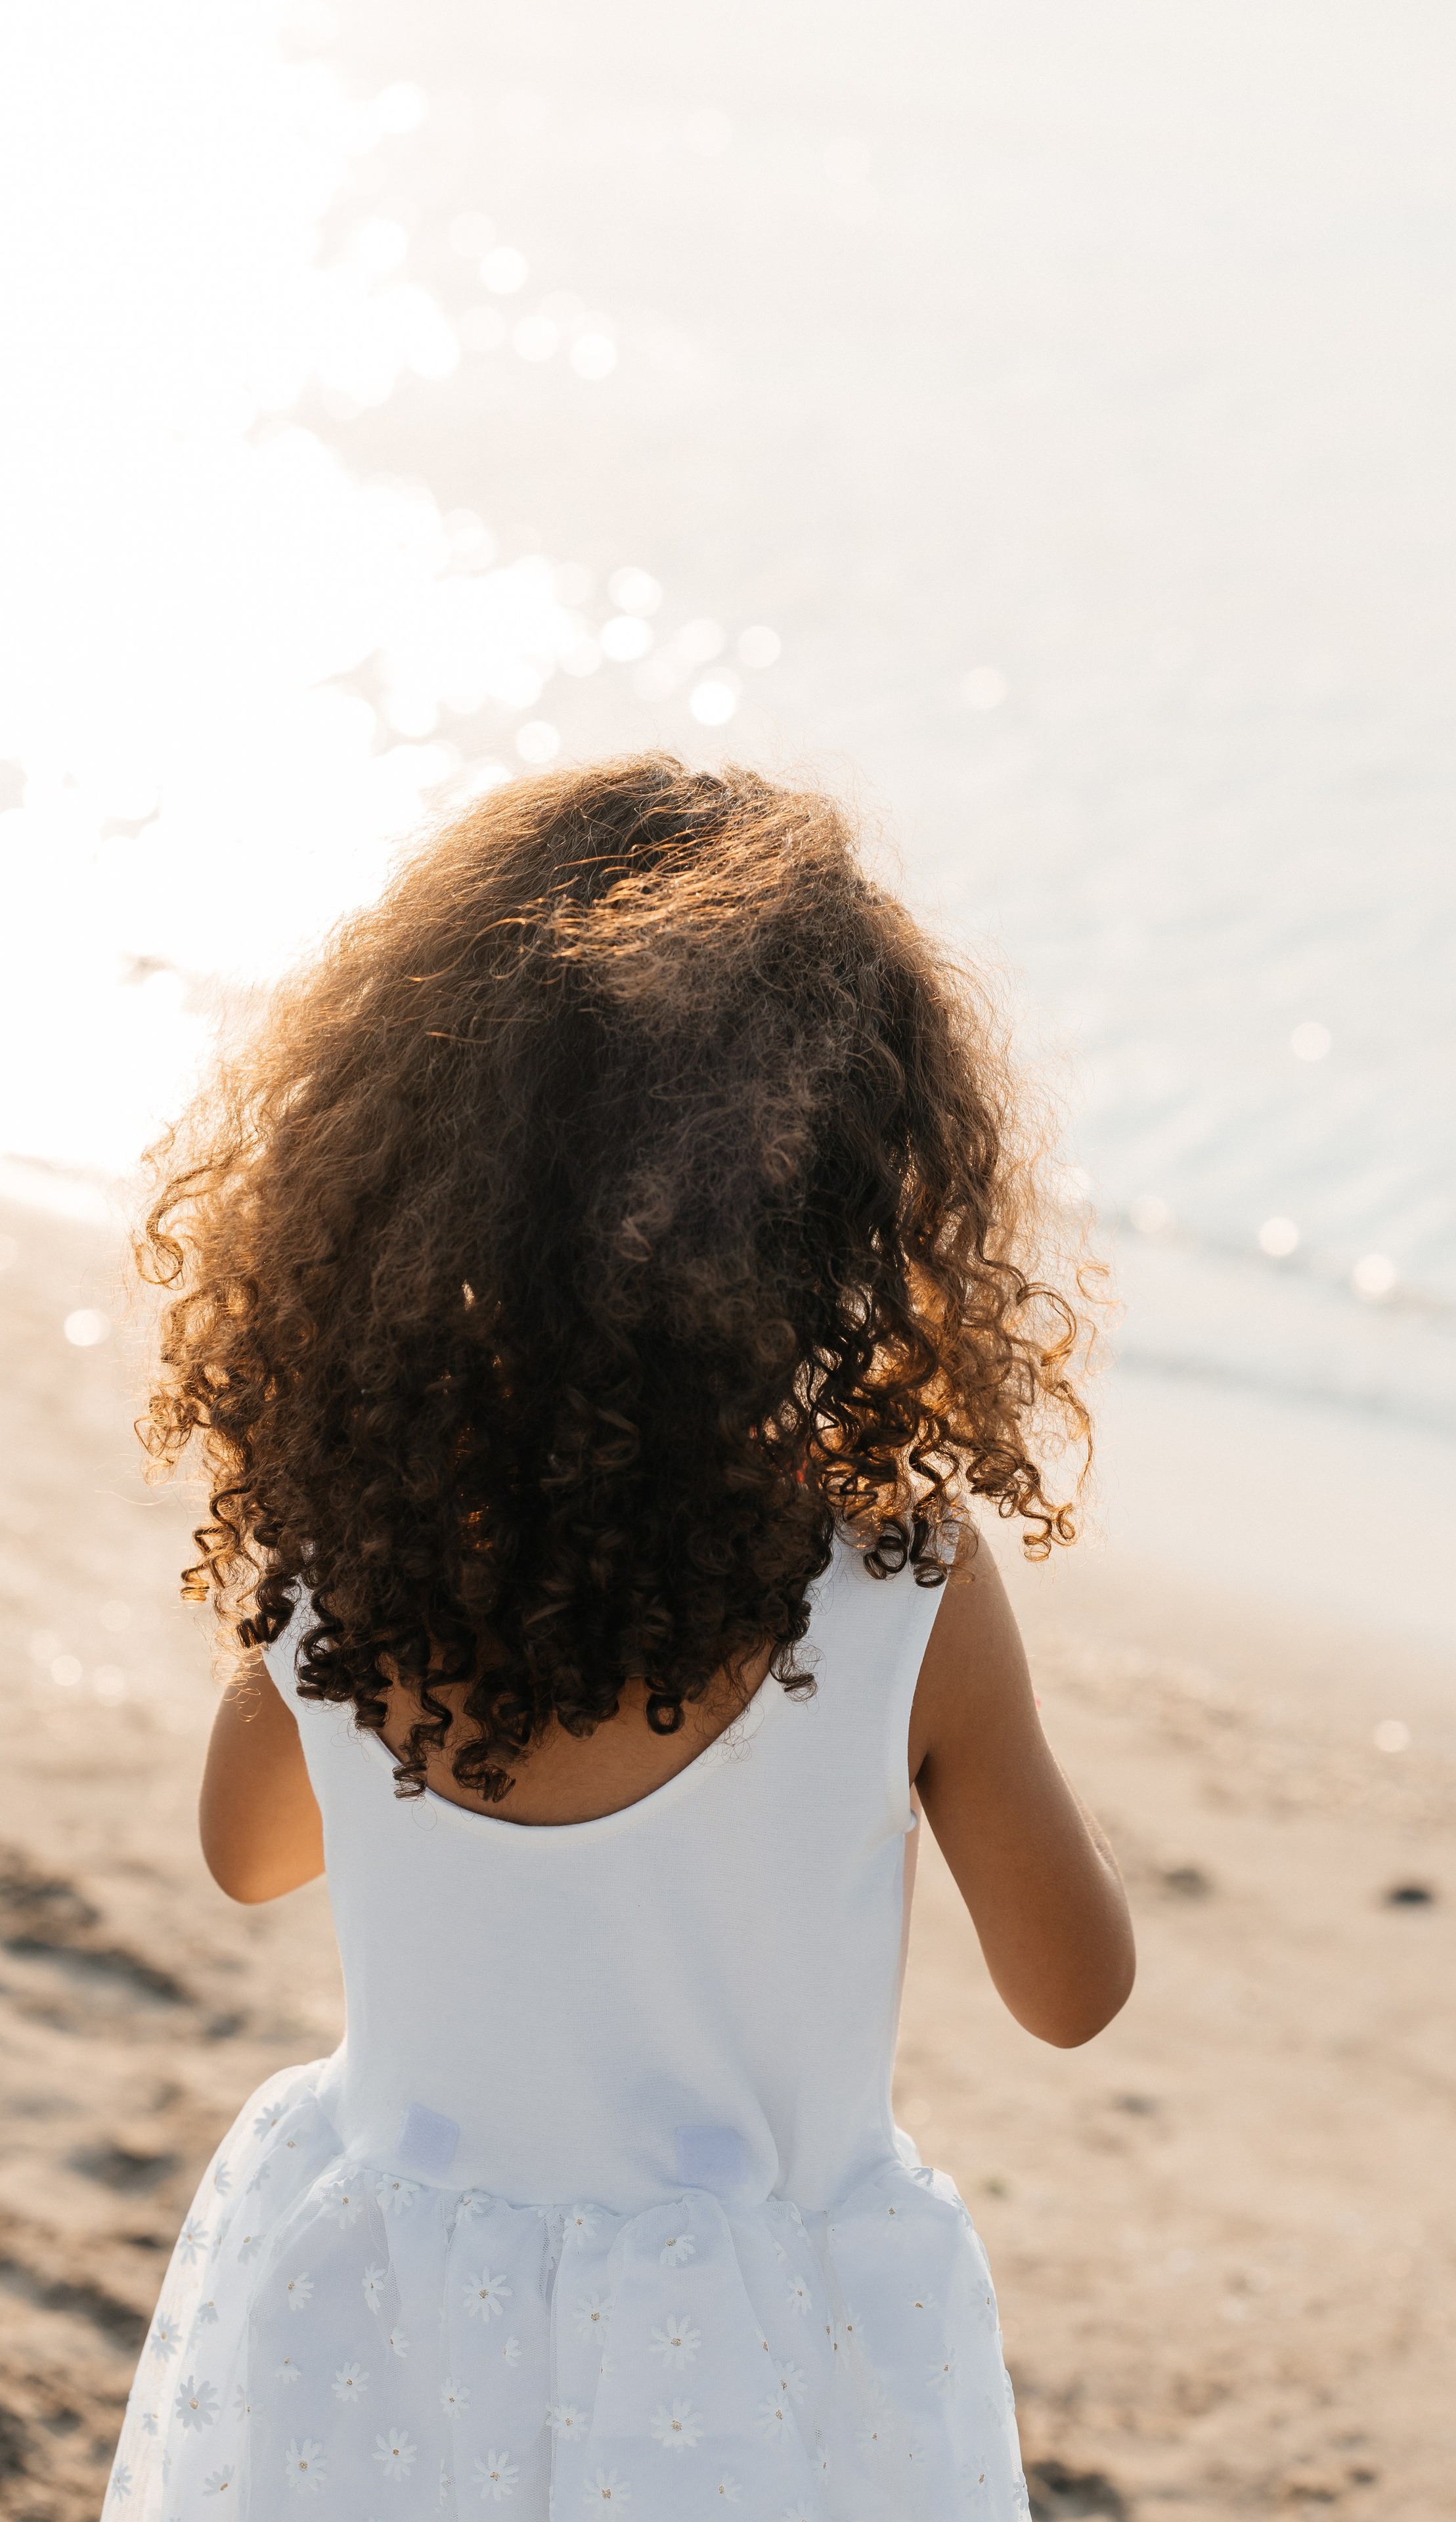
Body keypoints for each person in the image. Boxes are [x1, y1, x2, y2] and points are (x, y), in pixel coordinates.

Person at [108, 755, 1134, 2521]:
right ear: (851, 1203)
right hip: (745, 2373)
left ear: (414, 1175)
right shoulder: (894, 1583)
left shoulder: (348, 1537)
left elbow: (247, 1855)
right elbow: (1073, 1991)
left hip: (394, 2328)